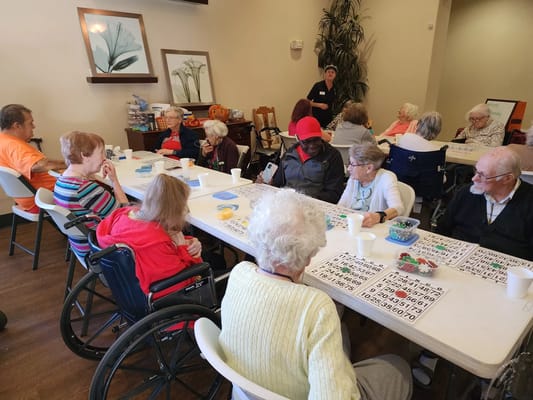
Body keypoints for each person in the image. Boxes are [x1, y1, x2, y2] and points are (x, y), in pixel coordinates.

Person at [219, 189, 412, 400]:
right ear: (309, 258)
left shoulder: (239, 272)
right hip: (298, 393)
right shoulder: (317, 306)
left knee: (342, 333)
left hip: (243, 391)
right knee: (398, 367)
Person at [96, 174, 203, 298]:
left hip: (129, 291)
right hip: (171, 299)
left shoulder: (124, 216)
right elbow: (182, 283)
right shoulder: (155, 242)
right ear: (172, 210)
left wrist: (186, 242)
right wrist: (184, 250)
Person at [437, 146, 533, 261]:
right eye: (475, 171)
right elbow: (442, 230)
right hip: (457, 259)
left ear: (507, 179)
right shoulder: (467, 193)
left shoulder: (529, 202)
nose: (474, 179)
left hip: (505, 270)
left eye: (482, 175)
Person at [54, 131, 129, 258]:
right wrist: (114, 180)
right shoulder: (86, 189)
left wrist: (89, 174)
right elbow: (125, 215)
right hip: (101, 251)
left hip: (79, 246)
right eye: (101, 153)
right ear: (85, 156)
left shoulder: (62, 180)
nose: (104, 158)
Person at [257, 116, 345, 204]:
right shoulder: (289, 155)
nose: (312, 145)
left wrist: (304, 199)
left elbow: (334, 193)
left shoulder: (332, 156)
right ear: (297, 138)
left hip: (315, 205)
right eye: (306, 141)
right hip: (287, 203)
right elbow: (278, 183)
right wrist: (269, 184)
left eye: (316, 140)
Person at [0, 104, 66, 212]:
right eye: (30, 123)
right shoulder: (14, 146)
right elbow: (38, 165)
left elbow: (41, 163)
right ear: (17, 126)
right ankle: (98, 227)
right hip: (43, 198)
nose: (34, 126)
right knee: (95, 185)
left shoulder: (3, 140)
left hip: (28, 198)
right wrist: (73, 164)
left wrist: (68, 165)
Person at [338, 143, 404, 227]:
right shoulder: (354, 178)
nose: (349, 168)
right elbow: (341, 204)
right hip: (353, 224)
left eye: (353, 164)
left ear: (369, 168)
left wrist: (378, 216)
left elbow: (398, 208)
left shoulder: (386, 177)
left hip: (374, 228)